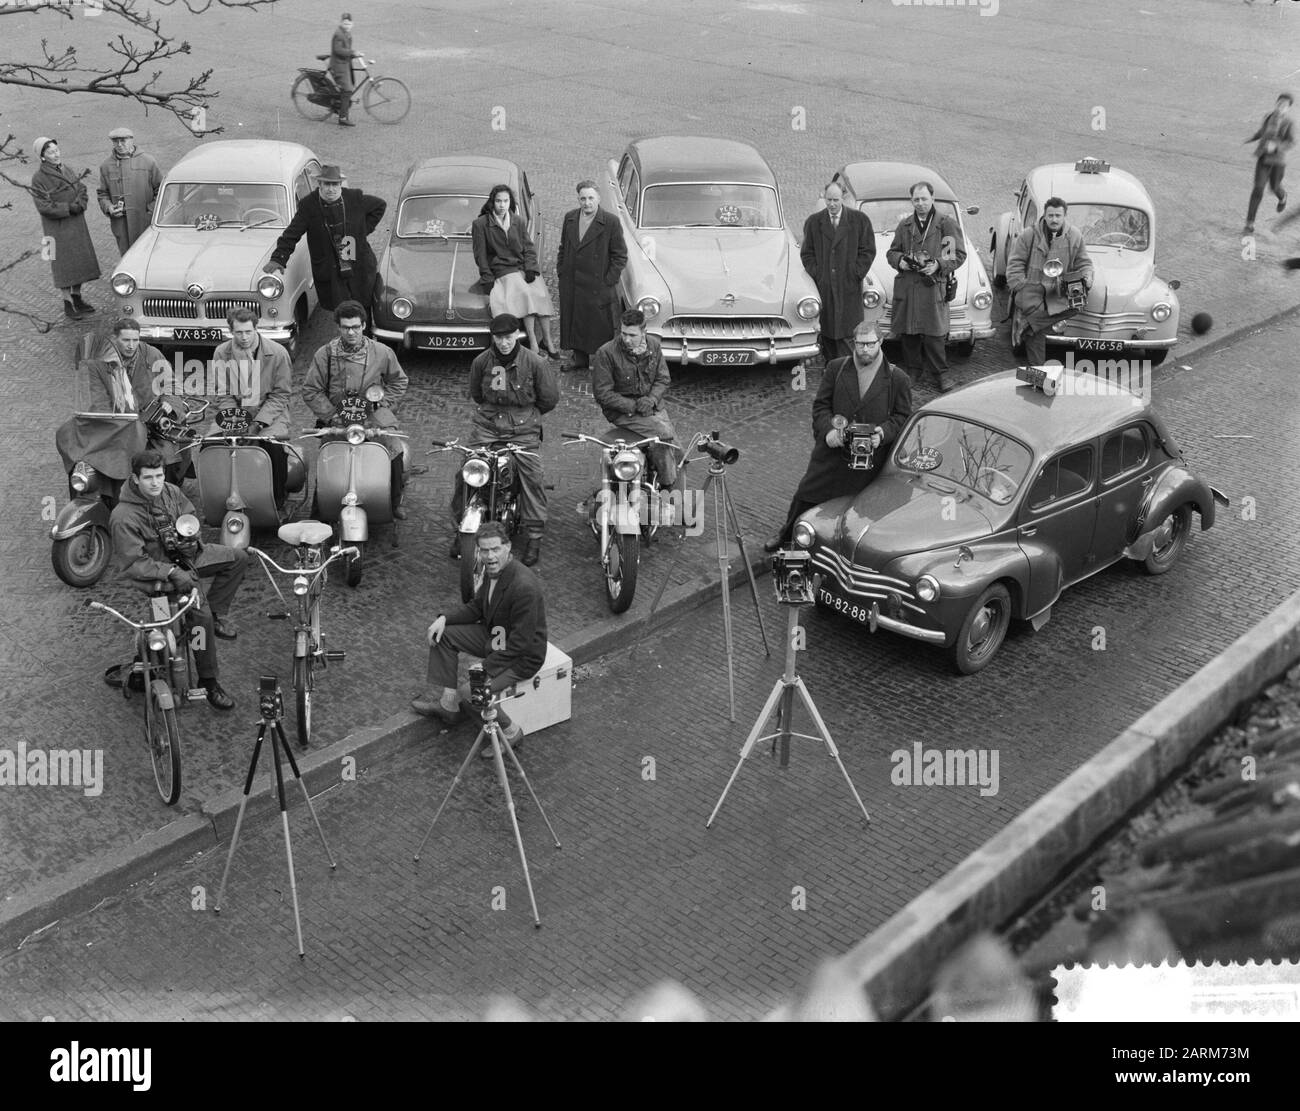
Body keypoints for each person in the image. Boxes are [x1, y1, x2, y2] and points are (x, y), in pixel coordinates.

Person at [110, 449, 247, 710]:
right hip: (160, 579)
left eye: (159, 475)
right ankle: (208, 681)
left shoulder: (171, 491)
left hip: (190, 558)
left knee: (237, 558)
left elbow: (189, 513)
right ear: (135, 479)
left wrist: (191, 539)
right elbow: (133, 563)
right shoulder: (123, 516)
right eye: (148, 477)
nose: (155, 483)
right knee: (199, 621)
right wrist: (171, 572)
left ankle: (218, 612)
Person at [764, 323, 912, 552]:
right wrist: (829, 431)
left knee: (851, 509)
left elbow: (902, 416)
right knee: (806, 495)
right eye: (860, 344)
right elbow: (821, 406)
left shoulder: (897, 378)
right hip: (832, 454)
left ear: (880, 342)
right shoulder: (836, 368)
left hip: (865, 462)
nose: (864, 349)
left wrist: (882, 434)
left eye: (870, 344)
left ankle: (837, 548)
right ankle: (786, 535)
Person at [411, 521, 549, 759]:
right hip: (496, 637)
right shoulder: (492, 570)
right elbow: (477, 607)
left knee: (472, 691)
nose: (489, 556)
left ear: (507, 547)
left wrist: (485, 668)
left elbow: (521, 644)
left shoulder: (524, 586)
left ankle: (510, 731)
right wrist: (444, 618)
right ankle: (448, 705)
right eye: (484, 550)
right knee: (444, 636)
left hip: (521, 657)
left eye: (495, 549)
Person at [452, 313, 559, 566]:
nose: (503, 343)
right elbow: (477, 394)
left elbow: (549, 399)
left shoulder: (536, 363)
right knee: (466, 473)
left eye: (508, 337)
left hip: (523, 429)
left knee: (532, 477)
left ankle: (534, 536)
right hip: (487, 426)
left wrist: (525, 417)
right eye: (498, 338)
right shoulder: (481, 361)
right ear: (493, 337)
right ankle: (460, 529)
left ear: (517, 335)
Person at [302, 300, 411, 517]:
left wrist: (383, 406)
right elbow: (311, 389)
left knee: (394, 449)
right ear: (338, 327)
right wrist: (332, 415)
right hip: (338, 419)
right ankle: (320, 506)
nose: (351, 332)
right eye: (345, 327)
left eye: (355, 327)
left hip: (373, 418)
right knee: (328, 456)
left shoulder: (382, 352)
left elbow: (399, 381)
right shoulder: (325, 354)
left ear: (364, 325)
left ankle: (393, 501)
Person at [590, 309, 686, 514]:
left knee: (679, 453)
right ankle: (669, 488)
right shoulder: (605, 353)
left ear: (644, 331)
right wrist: (633, 406)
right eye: (623, 333)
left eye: (632, 335)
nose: (626, 339)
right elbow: (602, 394)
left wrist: (651, 400)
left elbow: (663, 379)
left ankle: (678, 505)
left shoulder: (654, 346)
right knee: (663, 436)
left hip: (652, 408)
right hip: (623, 412)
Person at [78, 317, 193, 482]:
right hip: (119, 423)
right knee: (96, 455)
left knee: (168, 455)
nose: (131, 345)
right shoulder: (99, 362)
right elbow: (98, 399)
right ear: (115, 338)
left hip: (153, 422)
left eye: (135, 340)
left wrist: (168, 402)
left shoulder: (152, 354)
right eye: (126, 340)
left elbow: (172, 385)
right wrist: (115, 417)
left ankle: (167, 491)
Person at [263, 165, 386, 319]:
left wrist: (361, 232)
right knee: (342, 311)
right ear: (319, 184)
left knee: (363, 306)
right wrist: (278, 259)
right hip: (331, 267)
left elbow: (380, 206)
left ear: (340, 185)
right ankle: (346, 338)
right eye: (327, 184)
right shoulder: (308, 206)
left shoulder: (355, 198)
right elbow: (291, 234)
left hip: (358, 263)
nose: (331, 189)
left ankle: (364, 338)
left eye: (335, 184)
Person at [207, 306, 294, 502]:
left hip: (270, 413)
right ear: (231, 331)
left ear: (256, 328)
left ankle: (277, 499)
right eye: (239, 332)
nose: (244, 337)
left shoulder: (278, 353)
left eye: (248, 331)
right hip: (234, 412)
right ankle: (219, 498)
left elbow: (281, 394)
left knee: (273, 447)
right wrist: (236, 421)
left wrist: (258, 423)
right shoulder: (221, 353)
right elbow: (223, 393)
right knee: (210, 445)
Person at [885, 181, 966, 393]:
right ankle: (913, 370)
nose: (920, 203)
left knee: (934, 334)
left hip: (933, 287)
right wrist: (900, 260)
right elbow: (892, 252)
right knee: (909, 332)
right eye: (916, 200)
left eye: (924, 199)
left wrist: (938, 264)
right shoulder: (905, 226)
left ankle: (941, 373)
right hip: (909, 286)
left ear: (932, 199)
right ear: (911, 201)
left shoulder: (945, 224)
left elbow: (956, 255)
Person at [471, 183, 560, 358]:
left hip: (521, 267)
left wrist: (531, 269)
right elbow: (480, 255)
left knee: (541, 294)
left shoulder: (518, 221)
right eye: (498, 201)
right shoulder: (481, 224)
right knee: (526, 294)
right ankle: (534, 343)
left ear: (510, 202)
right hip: (502, 269)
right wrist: (487, 277)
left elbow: (528, 247)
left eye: (505, 201)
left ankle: (547, 341)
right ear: (492, 202)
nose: (502, 205)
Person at [1005, 197, 1094, 368]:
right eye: (1050, 215)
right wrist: (1020, 286)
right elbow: (1015, 263)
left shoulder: (1074, 235)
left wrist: (1088, 276)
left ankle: (1028, 324)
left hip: (1058, 293)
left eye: (1058, 216)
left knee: (1078, 304)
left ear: (1064, 216)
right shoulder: (1029, 235)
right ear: (1044, 215)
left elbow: (1084, 262)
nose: (1054, 219)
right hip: (1033, 293)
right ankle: (1039, 377)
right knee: (1035, 338)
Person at [800, 181, 876, 365]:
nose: (832, 204)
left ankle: (850, 370)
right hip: (824, 287)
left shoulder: (859, 220)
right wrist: (819, 274)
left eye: (835, 200)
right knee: (827, 332)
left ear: (843, 199)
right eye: (828, 200)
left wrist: (855, 273)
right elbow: (807, 253)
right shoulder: (813, 222)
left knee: (848, 331)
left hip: (848, 287)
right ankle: (831, 369)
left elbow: (868, 251)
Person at [556, 180, 628, 370]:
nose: (587, 203)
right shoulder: (570, 218)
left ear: (598, 198)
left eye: (590, 198)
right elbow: (563, 247)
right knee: (575, 319)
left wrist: (608, 281)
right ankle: (579, 357)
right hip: (572, 281)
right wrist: (561, 271)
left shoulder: (610, 222)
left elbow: (620, 255)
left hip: (597, 284)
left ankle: (600, 360)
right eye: (583, 199)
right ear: (578, 199)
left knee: (597, 324)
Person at [30, 138, 101, 320]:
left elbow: (81, 187)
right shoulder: (39, 178)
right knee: (62, 265)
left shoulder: (66, 168)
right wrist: (68, 208)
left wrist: (81, 202)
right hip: (57, 229)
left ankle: (77, 297)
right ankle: (67, 302)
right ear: (42, 157)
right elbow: (43, 206)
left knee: (79, 262)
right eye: (51, 152)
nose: (56, 154)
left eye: (57, 150)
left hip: (76, 224)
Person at [96, 127, 162, 255]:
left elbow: (161, 190)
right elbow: (102, 194)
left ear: (131, 140)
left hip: (145, 222)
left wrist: (150, 211)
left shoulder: (148, 162)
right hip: (121, 224)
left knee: (147, 255)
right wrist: (109, 208)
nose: (119, 145)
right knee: (127, 257)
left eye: (123, 140)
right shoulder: (106, 166)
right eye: (115, 141)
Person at [1243, 92, 1294, 234]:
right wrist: (1253, 137)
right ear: (1276, 103)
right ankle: (1249, 223)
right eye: (1279, 104)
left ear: (1288, 108)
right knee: (1258, 188)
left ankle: (1282, 196)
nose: (1280, 108)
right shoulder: (1268, 116)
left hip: (1278, 161)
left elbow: (1291, 142)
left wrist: (1277, 147)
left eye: (1284, 106)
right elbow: (1262, 131)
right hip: (1263, 158)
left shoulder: (1289, 123)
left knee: (1275, 187)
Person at [328, 11, 362, 126]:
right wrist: (352, 52)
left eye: (348, 24)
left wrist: (355, 54)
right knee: (347, 90)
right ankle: (342, 118)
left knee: (349, 86)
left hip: (344, 64)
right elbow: (338, 50)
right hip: (338, 66)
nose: (347, 26)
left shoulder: (347, 34)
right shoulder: (339, 34)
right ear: (341, 23)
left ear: (352, 24)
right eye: (345, 23)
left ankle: (340, 107)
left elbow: (345, 51)